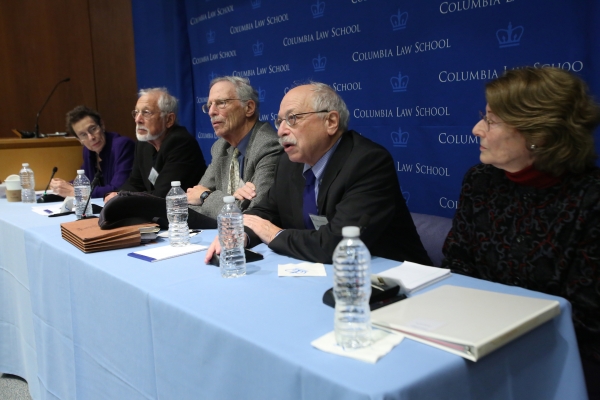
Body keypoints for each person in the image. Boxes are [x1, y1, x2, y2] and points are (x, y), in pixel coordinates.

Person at [440, 67, 600, 398]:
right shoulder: (480, 181)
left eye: (491, 121)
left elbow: (586, 319)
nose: (476, 130)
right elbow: (458, 262)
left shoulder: (591, 200)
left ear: (538, 134)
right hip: (473, 338)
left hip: (558, 358)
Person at [205, 82, 431, 265]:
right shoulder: (288, 163)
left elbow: (338, 244)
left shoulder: (368, 162)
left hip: (392, 283)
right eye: (280, 121)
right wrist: (240, 235)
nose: (281, 130)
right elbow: (266, 211)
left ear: (331, 122)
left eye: (292, 119)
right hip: (320, 273)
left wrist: (273, 234)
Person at [186, 76, 282, 220]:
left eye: (221, 103)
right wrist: (232, 201)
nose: (211, 112)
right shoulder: (220, 147)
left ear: (248, 108)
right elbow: (192, 203)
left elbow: (254, 214)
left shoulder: (269, 146)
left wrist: (206, 196)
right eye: (210, 105)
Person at [105, 87, 206, 200]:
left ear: (169, 120)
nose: (138, 119)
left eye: (146, 113)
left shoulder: (180, 143)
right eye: (136, 112)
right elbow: (135, 183)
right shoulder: (144, 144)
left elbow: (163, 195)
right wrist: (117, 195)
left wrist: (123, 198)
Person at [49, 106, 134, 198]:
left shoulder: (122, 145)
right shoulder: (88, 151)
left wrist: (77, 192)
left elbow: (118, 189)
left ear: (102, 125)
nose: (91, 137)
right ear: (79, 140)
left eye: (93, 129)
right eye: (83, 135)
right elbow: (86, 182)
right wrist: (63, 186)